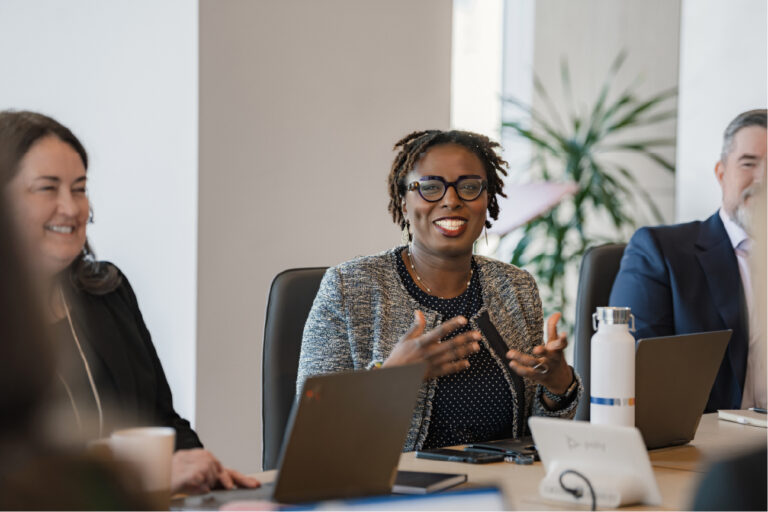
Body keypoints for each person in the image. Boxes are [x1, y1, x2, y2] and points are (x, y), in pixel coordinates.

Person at [0, 110, 259, 494]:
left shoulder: (107, 290)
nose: (71, 208)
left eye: (79, 188)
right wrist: (147, 477)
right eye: (47, 188)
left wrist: (210, 480)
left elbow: (163, 422)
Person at [297, 129, 582, 451]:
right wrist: (390, 379)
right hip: (392, 496)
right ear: (404, 202)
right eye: (430, 187)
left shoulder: (515, 287)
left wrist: (558, 388)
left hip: (504, 490)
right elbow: (313, 431)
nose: (451, 200)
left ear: (487, 201)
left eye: (469, 187)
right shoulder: (349, 287)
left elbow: (538, 440)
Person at [610, 109, 766, 412]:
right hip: (703, 448)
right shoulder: (659, 252)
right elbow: (636, 381)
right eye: (749, 164)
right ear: (721, 173)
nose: (763, 178)